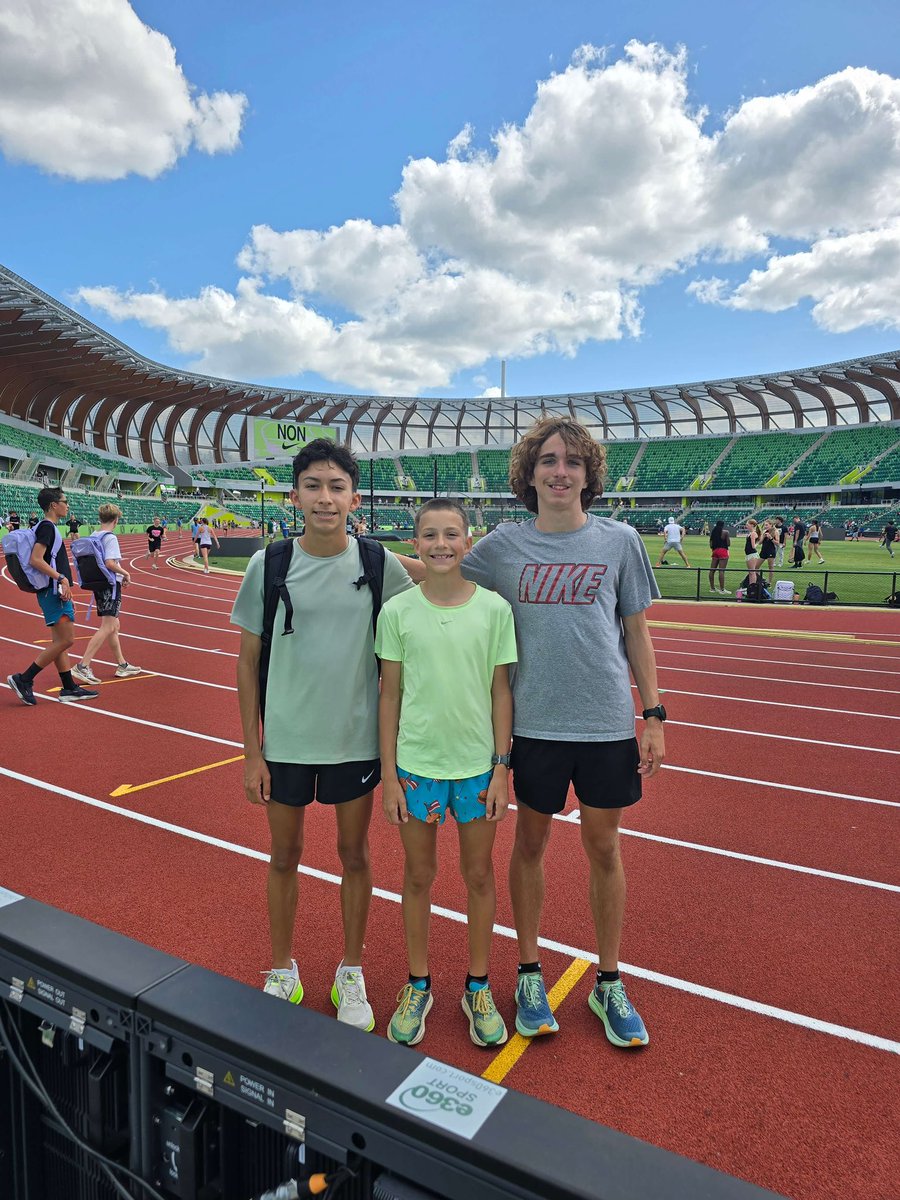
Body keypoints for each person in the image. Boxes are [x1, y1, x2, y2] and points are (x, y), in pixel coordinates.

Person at [404, 418, 663, 1048]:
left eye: (573, 462)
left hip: (605, 724)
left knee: (605, 850)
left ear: (588, 474)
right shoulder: (504, 546)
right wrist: (364, 556)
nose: (560, 471)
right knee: (530, 847)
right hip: (535, 727)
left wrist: (651, 715)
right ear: (530, 473)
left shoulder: (620, 541)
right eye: (548, 460)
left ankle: (608, 981)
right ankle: (527, 972)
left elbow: (635, 632)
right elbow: (440, 568)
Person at [231, 439, 414, 1029]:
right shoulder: (270, 563)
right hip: (284, 742)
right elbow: (246, 659)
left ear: (354, 498)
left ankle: (350, 971)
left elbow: (418, 631)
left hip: (354, 742)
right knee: (284, 856)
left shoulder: (379, 564)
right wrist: (251, 751)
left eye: (337, 487)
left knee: (355, 855)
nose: (325, 498)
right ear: (295, 496)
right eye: (313, 485)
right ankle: (282, 967)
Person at [377, 499, 517, 1048]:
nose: (441, 544)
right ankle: (419, 984)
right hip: (416, 767)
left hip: (477, 768)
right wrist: (389, 775)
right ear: (415, 543)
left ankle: (477, 985)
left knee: (479, 876)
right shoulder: (398, 612)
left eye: (451, 534)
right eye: (430, 534)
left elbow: (500, 691)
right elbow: (390, 694)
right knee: (418, 875)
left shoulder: (495, 610)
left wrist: (501, 768)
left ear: (468, 541)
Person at [7, 487, 100, 706]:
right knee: (67, 640)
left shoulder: (47, 527)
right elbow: (36, 559)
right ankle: (24, 678)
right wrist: (61, 578)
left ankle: (68, 687)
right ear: (53, 505)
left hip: (51, 590)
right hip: (53, 591)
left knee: (59, 642)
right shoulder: (47, 527)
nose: (67, 505)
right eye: (64, 501)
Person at [72, 504, 142, 685]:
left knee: (114, 626)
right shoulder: (110, 538)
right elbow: (110, 562)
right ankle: (82, 666)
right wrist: (126, 573)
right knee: (107, 626)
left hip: (98, 583)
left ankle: (122, 665)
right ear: (116, 520)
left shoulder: (94, 535)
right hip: (110, 586)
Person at [708, 520, 731, 594]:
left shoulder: (714, 532)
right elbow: (728, 543)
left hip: (714, 551)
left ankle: (712, 588)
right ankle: (722, 590)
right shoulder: (725, 532)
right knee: (721, 571)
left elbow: (711, 544)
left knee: (712, 570)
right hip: (723, 551)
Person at [744, 518, 762, 587]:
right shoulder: (751, 533)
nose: (746, 526)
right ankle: (750, 586)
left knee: (752, 572)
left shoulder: (753, 534)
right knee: (750, 572)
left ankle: (753, 586)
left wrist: (757, 543)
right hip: (749, 554)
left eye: (747, 525)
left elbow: (753, 546)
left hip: (752, 554)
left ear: (752, 525)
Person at [759, 520, 778, 586]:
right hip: (763, 550)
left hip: (771, 551)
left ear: (771, 525)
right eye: (765, 525)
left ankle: (769, 582)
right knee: (756, 567)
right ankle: (760, 579)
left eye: (767, 525)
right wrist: (763, 536)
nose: (765, 526)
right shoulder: (764, 532)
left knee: (770, 567)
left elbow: (778, 543)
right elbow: (760, 543)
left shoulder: (775, 532)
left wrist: (771, 538)